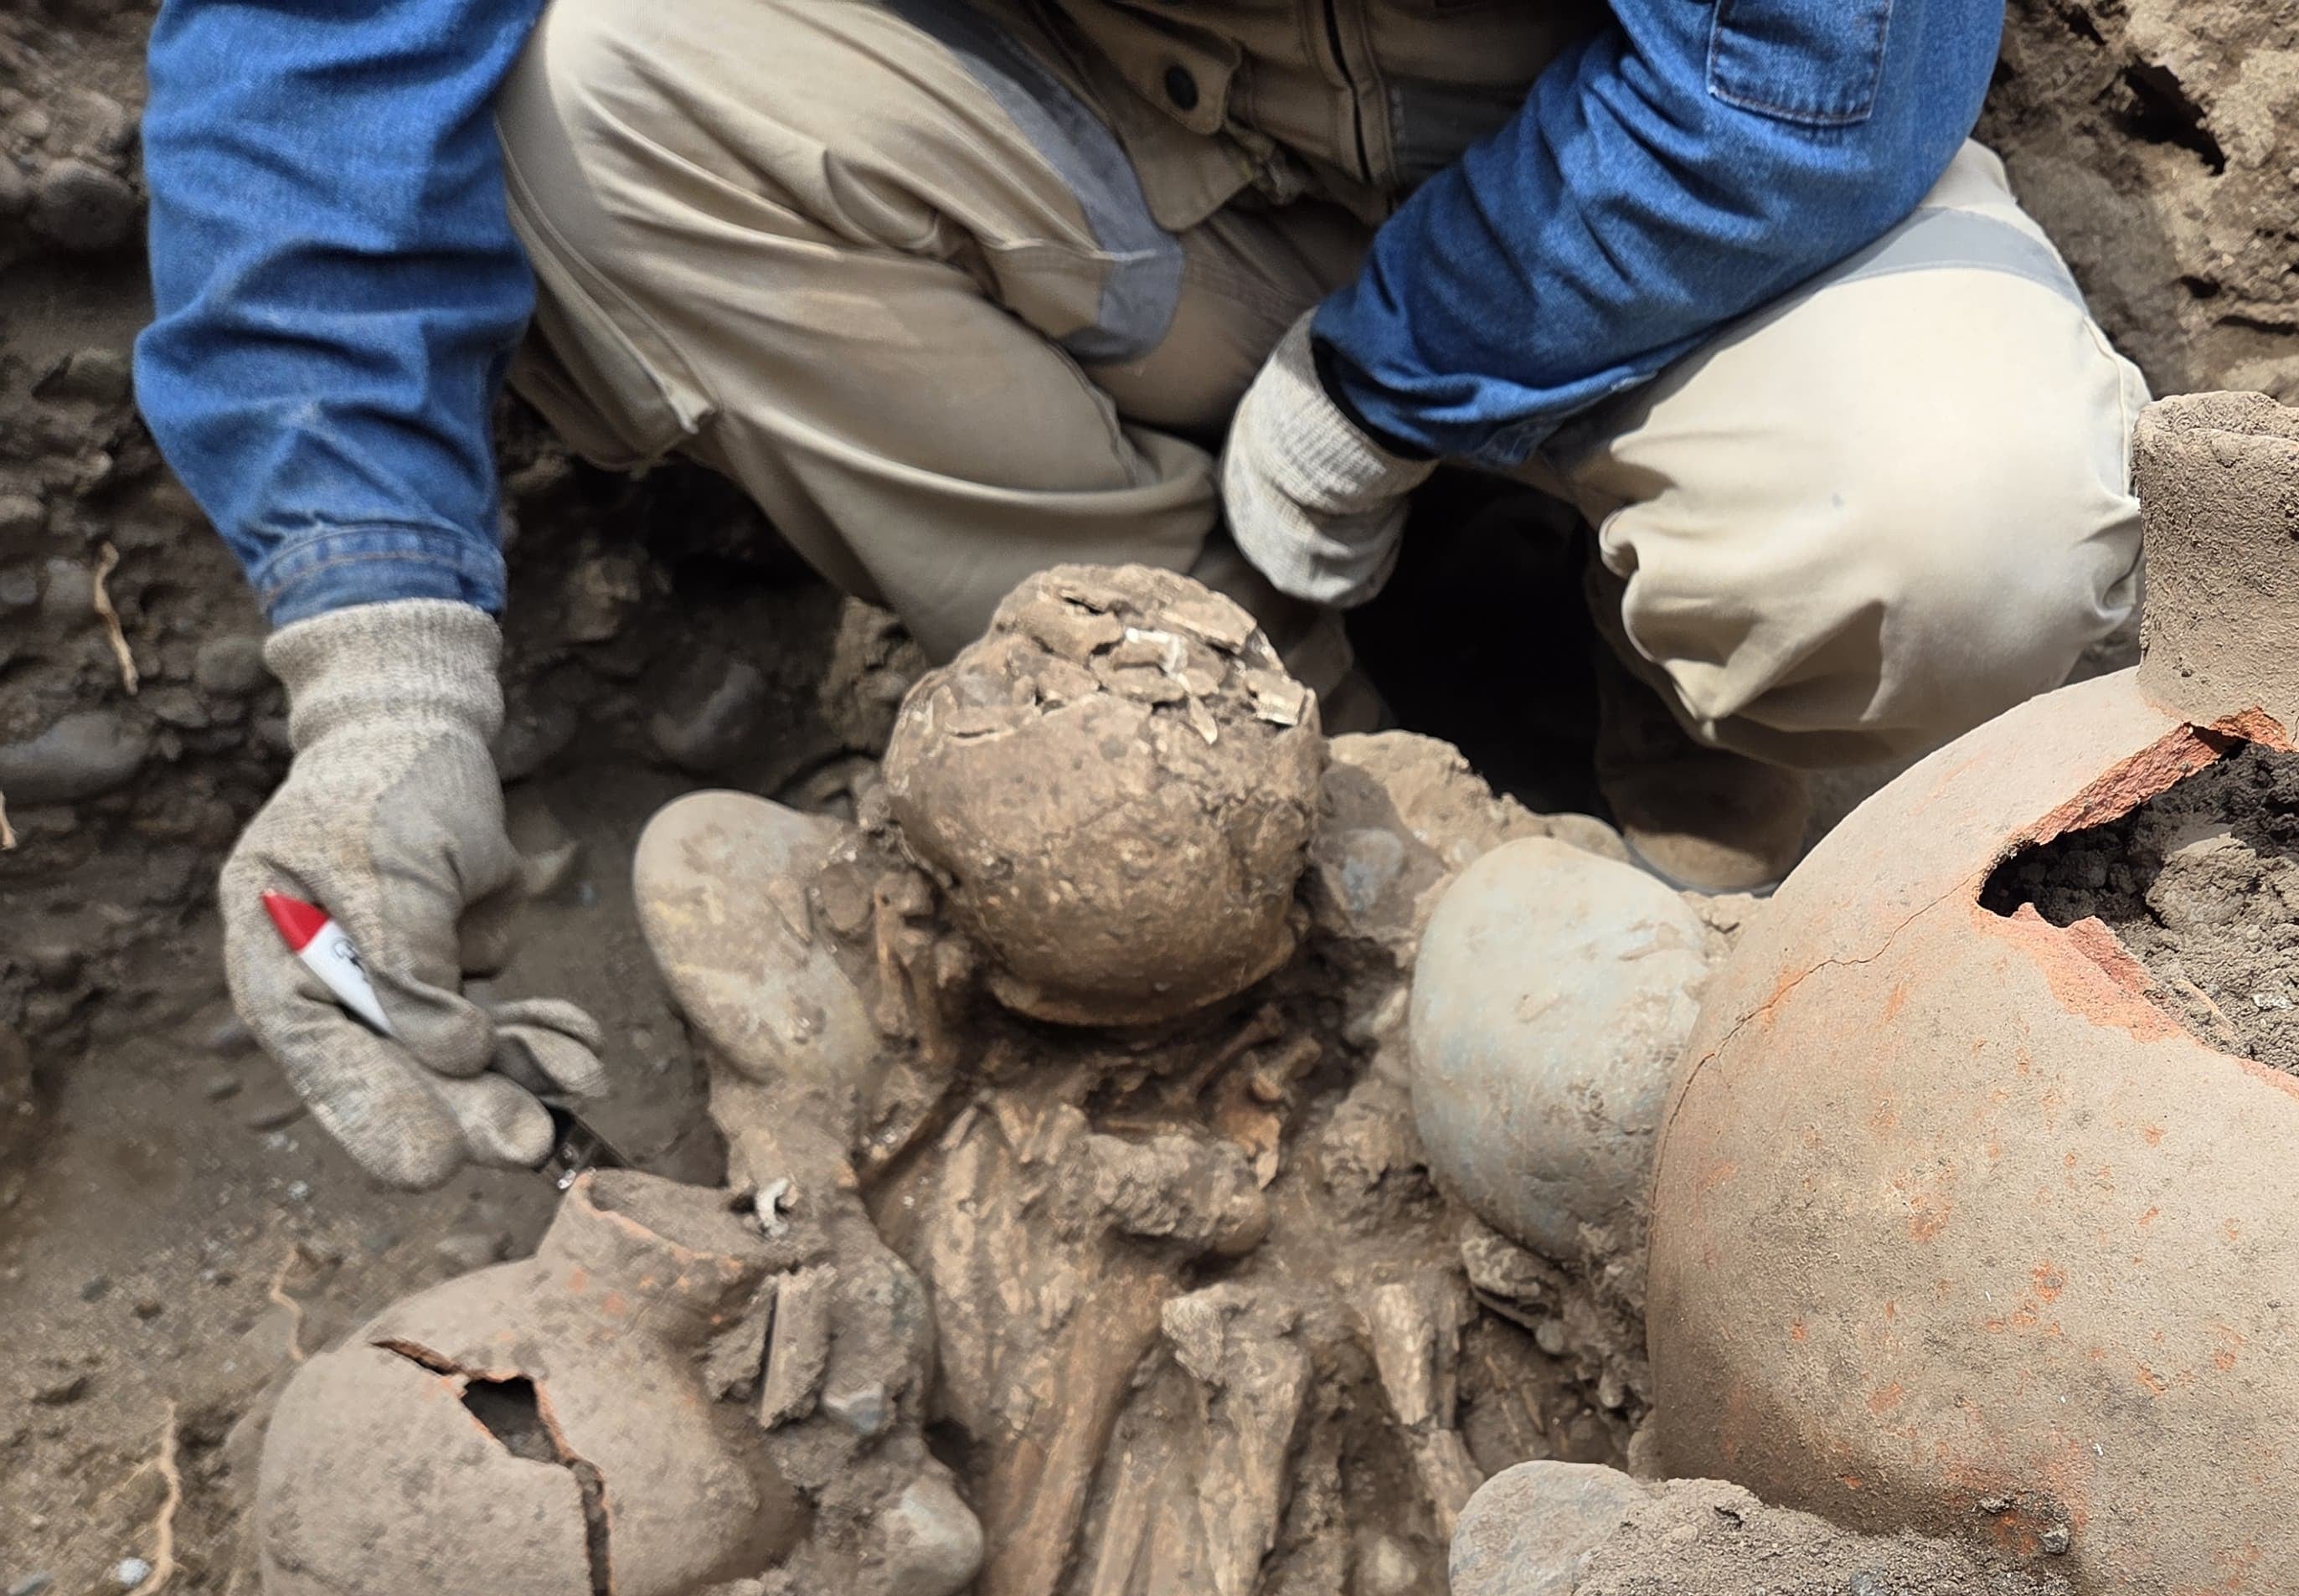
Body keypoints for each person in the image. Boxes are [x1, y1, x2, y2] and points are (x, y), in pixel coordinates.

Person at [137, 0, 2148, 1188]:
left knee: (1965, 530)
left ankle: (1759, 939)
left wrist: (1390, 379)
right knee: (606, 86)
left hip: (1665, 153)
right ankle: (1290, 811)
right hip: (1101, 138)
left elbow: (1802, 66)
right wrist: (383, 675)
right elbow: (317, 43)